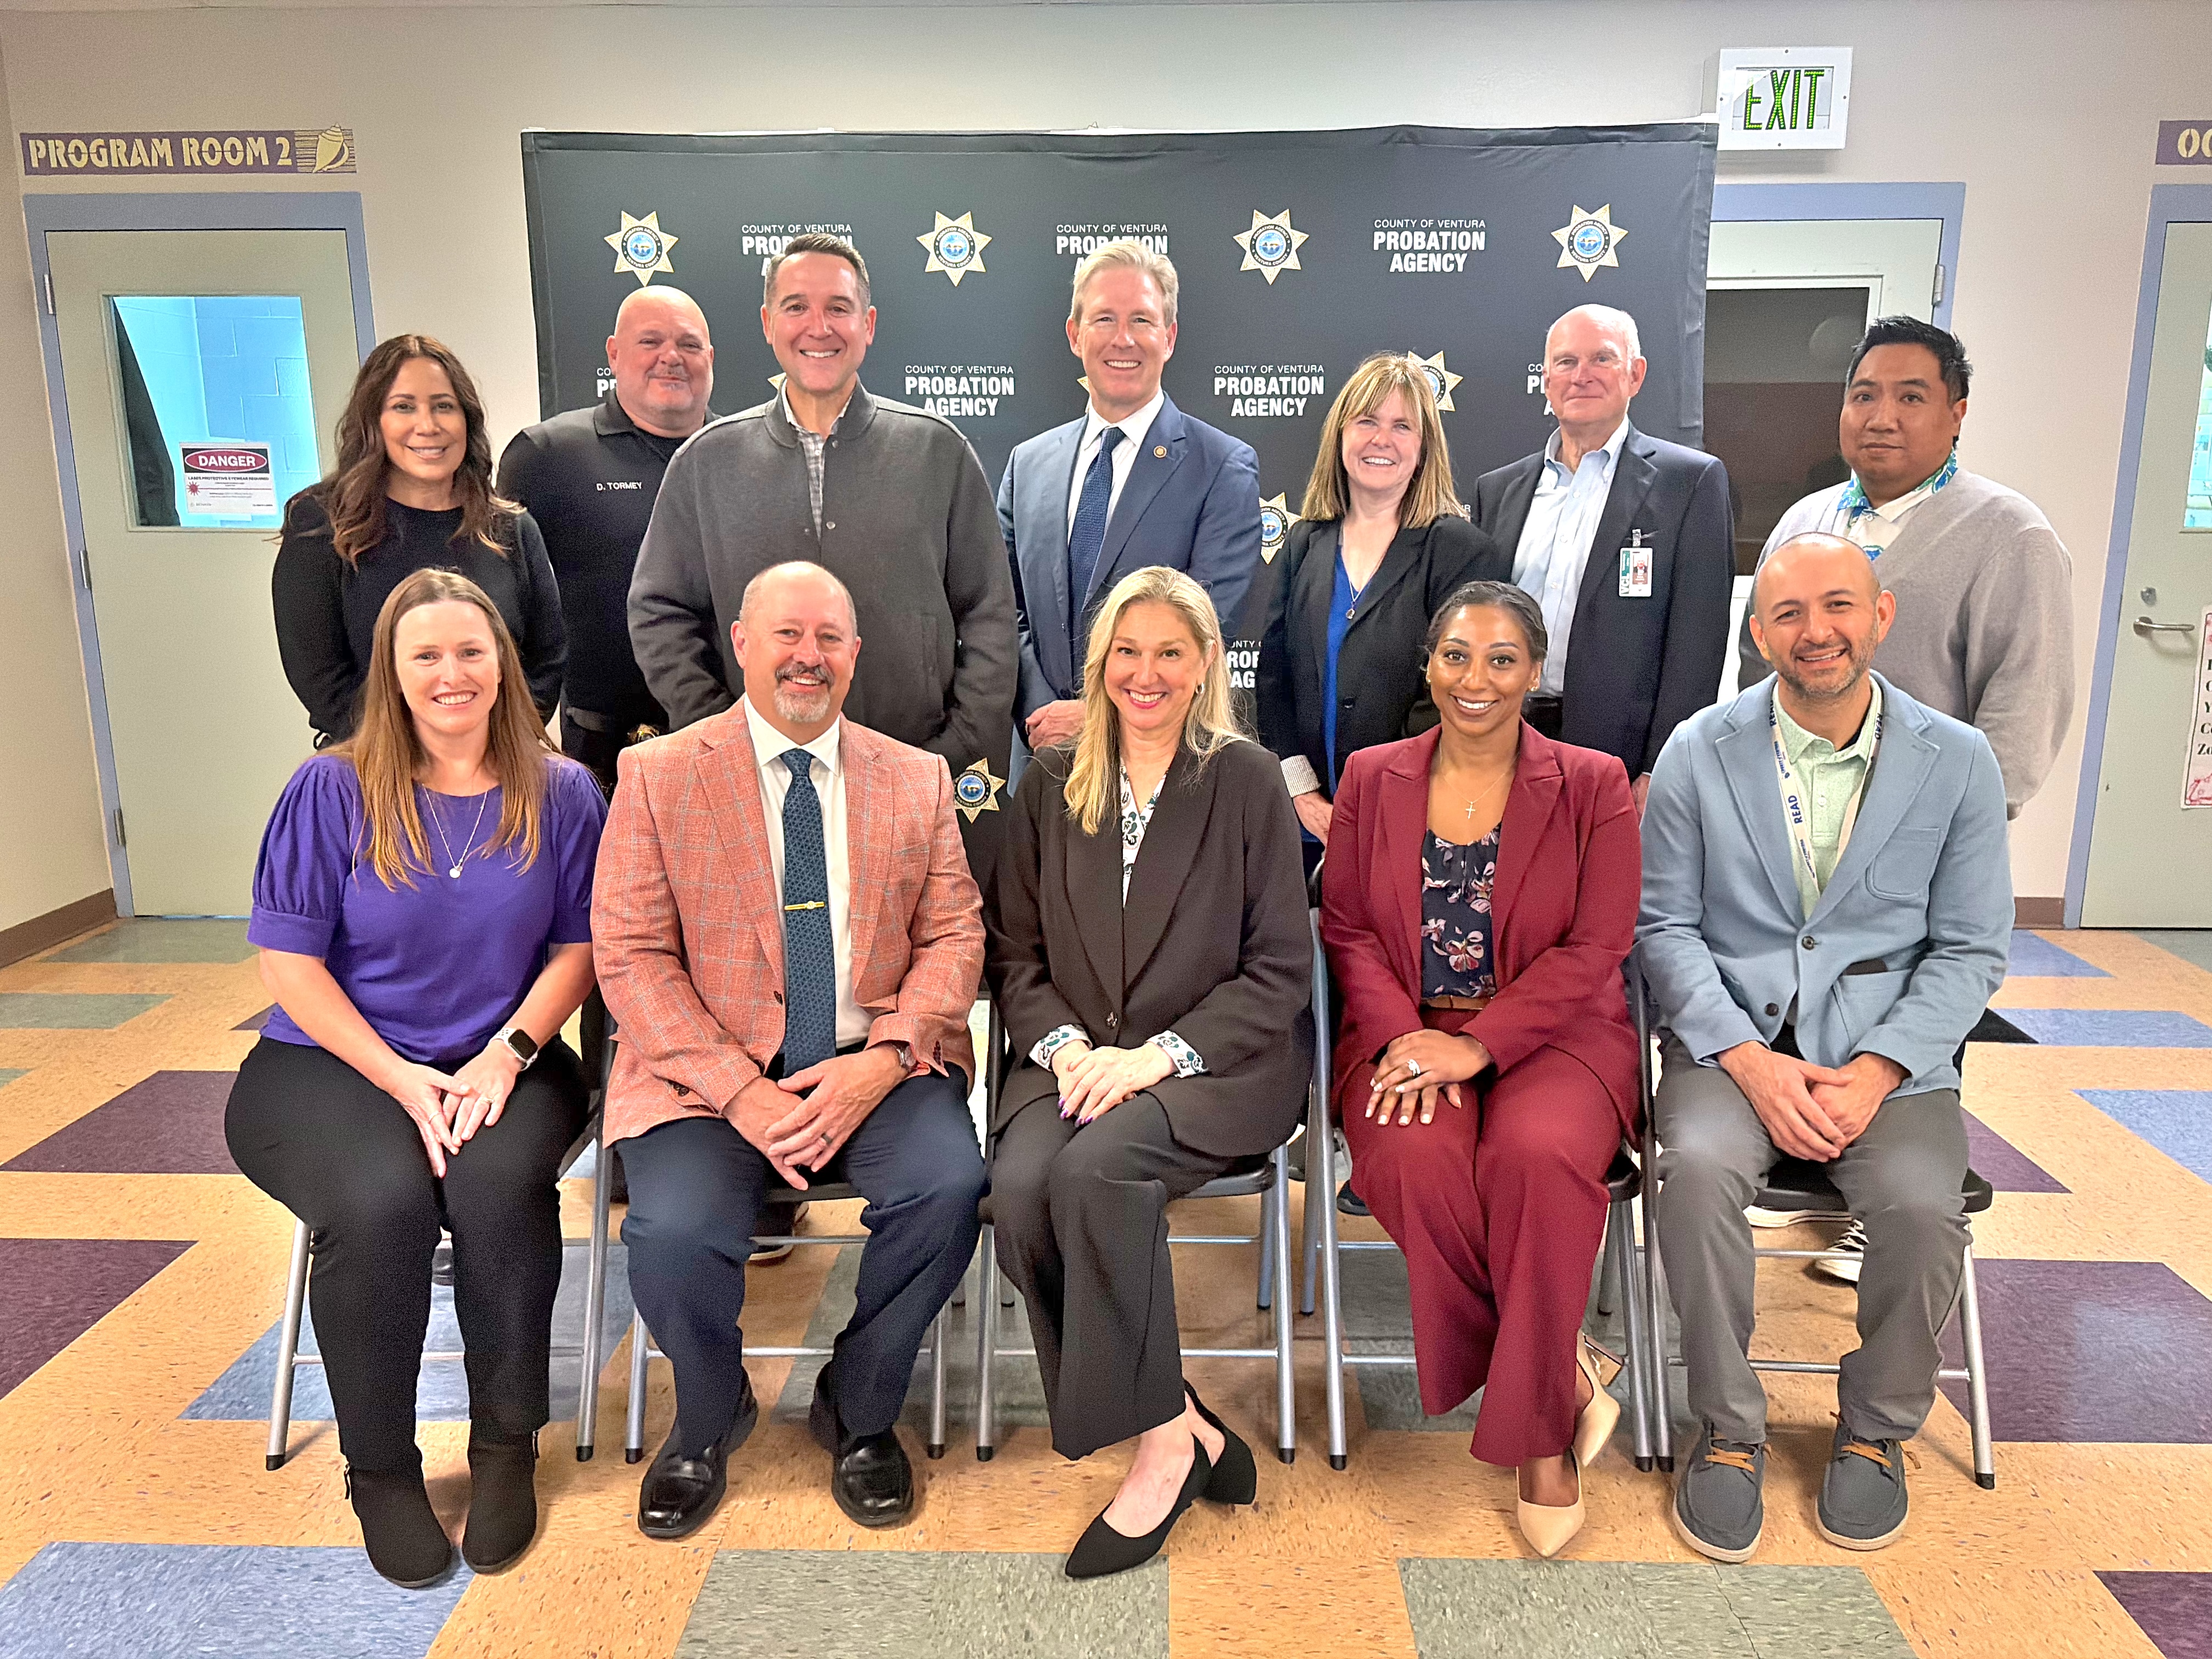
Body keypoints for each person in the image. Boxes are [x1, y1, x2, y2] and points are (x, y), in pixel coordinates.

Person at [225, 568, 605, 1587]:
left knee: (497, 1189)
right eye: (425, 655)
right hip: (333, 1061)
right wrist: (398, 1076)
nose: (451, 674)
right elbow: (291, 968)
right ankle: (381, 1468)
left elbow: (580, 947)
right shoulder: (332, 787)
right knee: (383, 1201)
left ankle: (503, 1444)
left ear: (503, 666)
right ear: (391, 673)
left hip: (505, 1056)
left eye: (471, 652)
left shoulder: (561, 789)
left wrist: (507, 1052)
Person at [1638, 534, 2011, 1563]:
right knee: (1696, 1166)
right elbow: (1663, 927)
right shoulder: (1697, 750)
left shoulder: (1958, 760)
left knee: (1926, 1203)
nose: (1817, 632)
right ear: (1758, 633)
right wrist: (1747, 1059)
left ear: (1880, 616)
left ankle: (1880, 1426)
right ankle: (1725, 1425)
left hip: (1887, 1062)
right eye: (1789, 613)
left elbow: (1974, 946)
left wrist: (1881, 1067)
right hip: (1733, 1051)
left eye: (1839, 605)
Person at [594, 561, 986, 1540]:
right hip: (705, 1077)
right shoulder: (658, 775)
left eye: (828, 638)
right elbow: (631, 956)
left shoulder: (916, 775)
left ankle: (858, 1406)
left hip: (877, 1064)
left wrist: (886, 1059)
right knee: (674, 1231)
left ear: (855, 654)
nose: (807, 657)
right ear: (741, 642)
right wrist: (738, 1091)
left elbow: (956, 937)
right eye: (786, 635)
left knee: (950, 1187)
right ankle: (707, 1411)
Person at [985, 566, 1311, 1580]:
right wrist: (1072, 1048)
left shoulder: (1246, 779)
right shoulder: (1050, 779)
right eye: (1127, 652)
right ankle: (1177, 1412)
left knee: (1093, 1175)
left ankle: (1160, 1449)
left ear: (1208, 662)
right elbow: (1014, 954)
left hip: (1216, 1064)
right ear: (1099, 664)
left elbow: (1279, 972)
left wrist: (1153, 1058)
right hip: (1072, 1056)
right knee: (1021, 1185)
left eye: (1171, 651)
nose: (1147, 672)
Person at [1318, 580, 1640, 1558]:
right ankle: (1560, 1374)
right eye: (1458, 654)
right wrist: (1409, 1040)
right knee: (1416, 1159)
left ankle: (1541, 1442)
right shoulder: (1372, 777)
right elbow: (1347, 928)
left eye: (1503, 659)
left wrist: (1480, 1043)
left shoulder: (1594, 782)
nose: (1477, 678)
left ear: (1535, 674)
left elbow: (1598, 944)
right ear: (1429, 664)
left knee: (1534, 1156)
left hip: (1559, 1036)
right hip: (1403, 1029)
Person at [627, 233, 1017, 871]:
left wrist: (952, 751)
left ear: (867, 325)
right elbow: (659, 612)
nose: (818, 327)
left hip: (915, 783)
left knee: (919, 960)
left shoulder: (936, 451)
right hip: (758, 792)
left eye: (837, 308)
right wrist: (724, 736)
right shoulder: (706, 461)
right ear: (766, 323)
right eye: (796, 306)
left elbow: (990, 615)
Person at [1738, 317, 2074, 821]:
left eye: (1911, 399)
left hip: (1926, 822)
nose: (1881, 418)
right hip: (1795, 811)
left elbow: (2025, 705)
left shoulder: (2011, 535)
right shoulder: (1803, 521)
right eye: (1865, 396)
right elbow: (1758, 659)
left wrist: (1966, 822)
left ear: (1957, 415)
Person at [998, 241, 1262, 754]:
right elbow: (1004, 615)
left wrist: (1095, 718)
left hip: (1160, 767)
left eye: (1142, 320)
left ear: (1170, 336)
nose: (1124, 339)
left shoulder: (1222, 469)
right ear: (1075, 335)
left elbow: (1201, 628)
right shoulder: (1026, 465)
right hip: (1043, 761)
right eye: (1104, 319)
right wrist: (1044, 716)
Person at [1471, 304, 1734, 806]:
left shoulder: (1690, 483)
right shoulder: (1498, 491)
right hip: (1502, 741)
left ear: (1635, 374)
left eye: (1602, 360)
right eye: (1566, 363)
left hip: (1620, 757)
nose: (1582, 376)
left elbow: (1696, 647)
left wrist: (1660, 769)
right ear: (1546, 380)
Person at [1255, 353, 1506, 863]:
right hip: (1307, 827)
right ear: (1341, 435)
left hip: (1416, 824)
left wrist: (1378, 799)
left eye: (1401, 426)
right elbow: (1273, 678)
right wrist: (1303, 792)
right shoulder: (1304, 543)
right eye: (1367, 421)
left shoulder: (1459, 550)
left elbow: (1460, 693)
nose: (1381, 439)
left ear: (1423, 449)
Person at [274, 335, 565, 745]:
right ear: (373, 421)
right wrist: (421, 757)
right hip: (372, 768)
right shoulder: (322, 527)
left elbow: (545, 661)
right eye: (404, 407)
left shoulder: (510, 528)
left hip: (497, 767)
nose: (428, 426)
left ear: (467, 418)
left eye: (444, 406)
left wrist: (493, 749)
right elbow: (319, 675)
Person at [498, 285, 716, 792]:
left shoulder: (744, 454)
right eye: (650, 342)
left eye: (688, 344)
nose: (671, 357)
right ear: (614, 354)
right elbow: (503, 606)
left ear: (710, 358)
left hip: (730, 736)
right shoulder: (546, 456)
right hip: (600, 750)